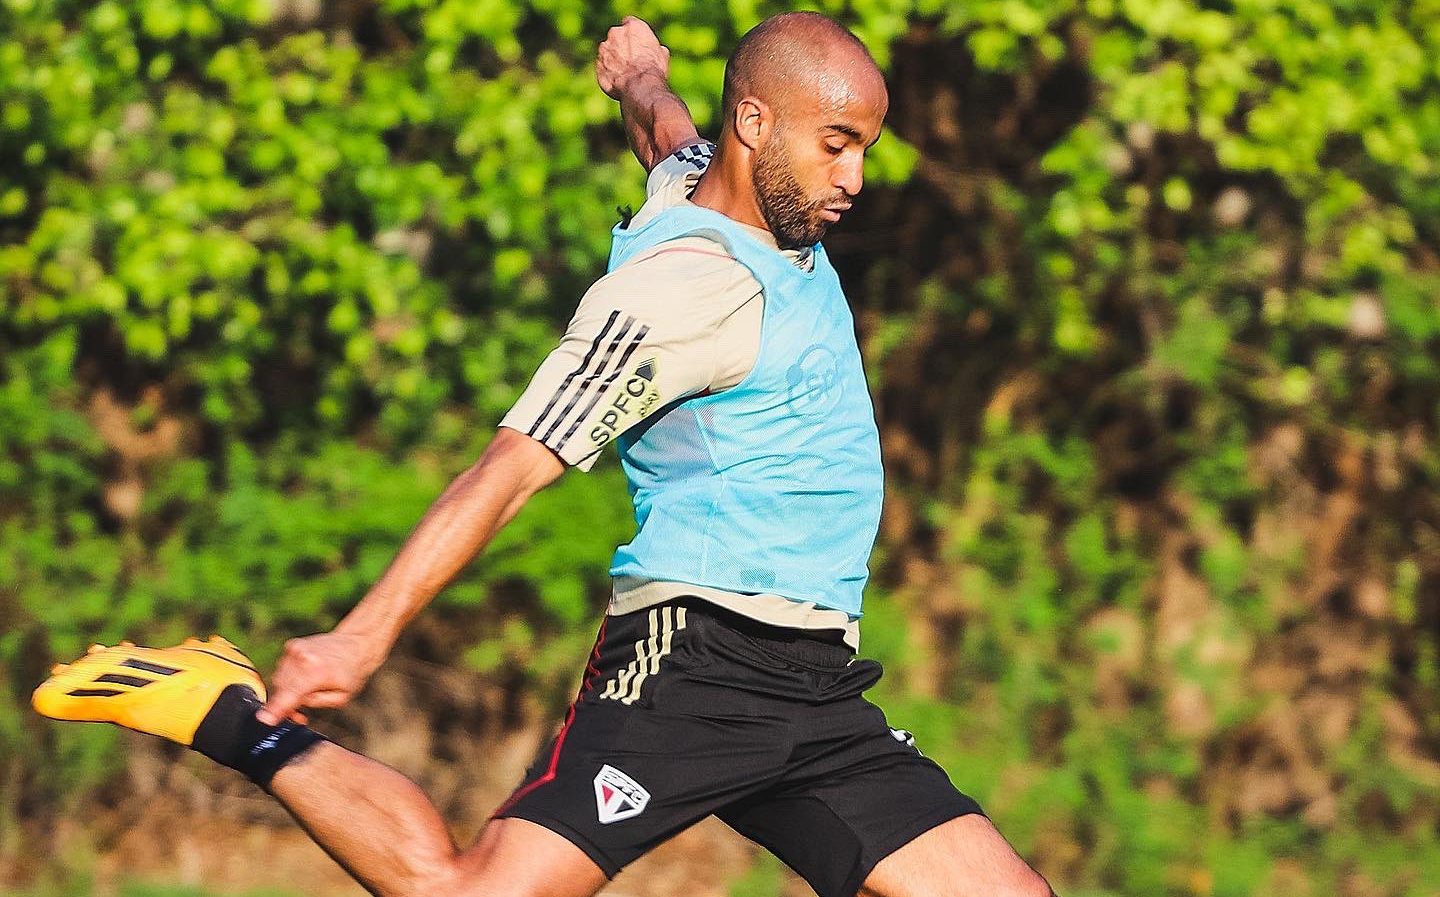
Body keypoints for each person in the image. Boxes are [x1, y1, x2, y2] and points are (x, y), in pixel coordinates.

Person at [34, 13, 1056, 897]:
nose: (855, 177)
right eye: (837, 144)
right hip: (696, 662)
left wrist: (640, 77)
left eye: (866, 148)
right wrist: (361, 636)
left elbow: (668, 138)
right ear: (759, 124)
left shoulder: (709, 181)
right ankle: (227, 714)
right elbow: (507, 468)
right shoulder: (674, 294)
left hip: (815, 684)